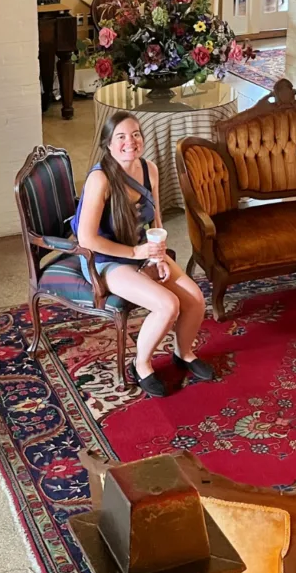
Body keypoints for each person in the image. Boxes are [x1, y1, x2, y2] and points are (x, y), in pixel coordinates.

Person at [73, 111, 211, 398]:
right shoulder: (100, 179)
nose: (130, 142)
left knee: (195, 299)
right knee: (167, 304)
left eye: (135, 134)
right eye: (121, 136)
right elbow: (86, 238)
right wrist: (136, 252)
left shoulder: (149, 169)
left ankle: (183, 352)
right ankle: (142, 364)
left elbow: (155, 220)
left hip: (142, 250)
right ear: (108, 144)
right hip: (104, 258)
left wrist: (157, 256)